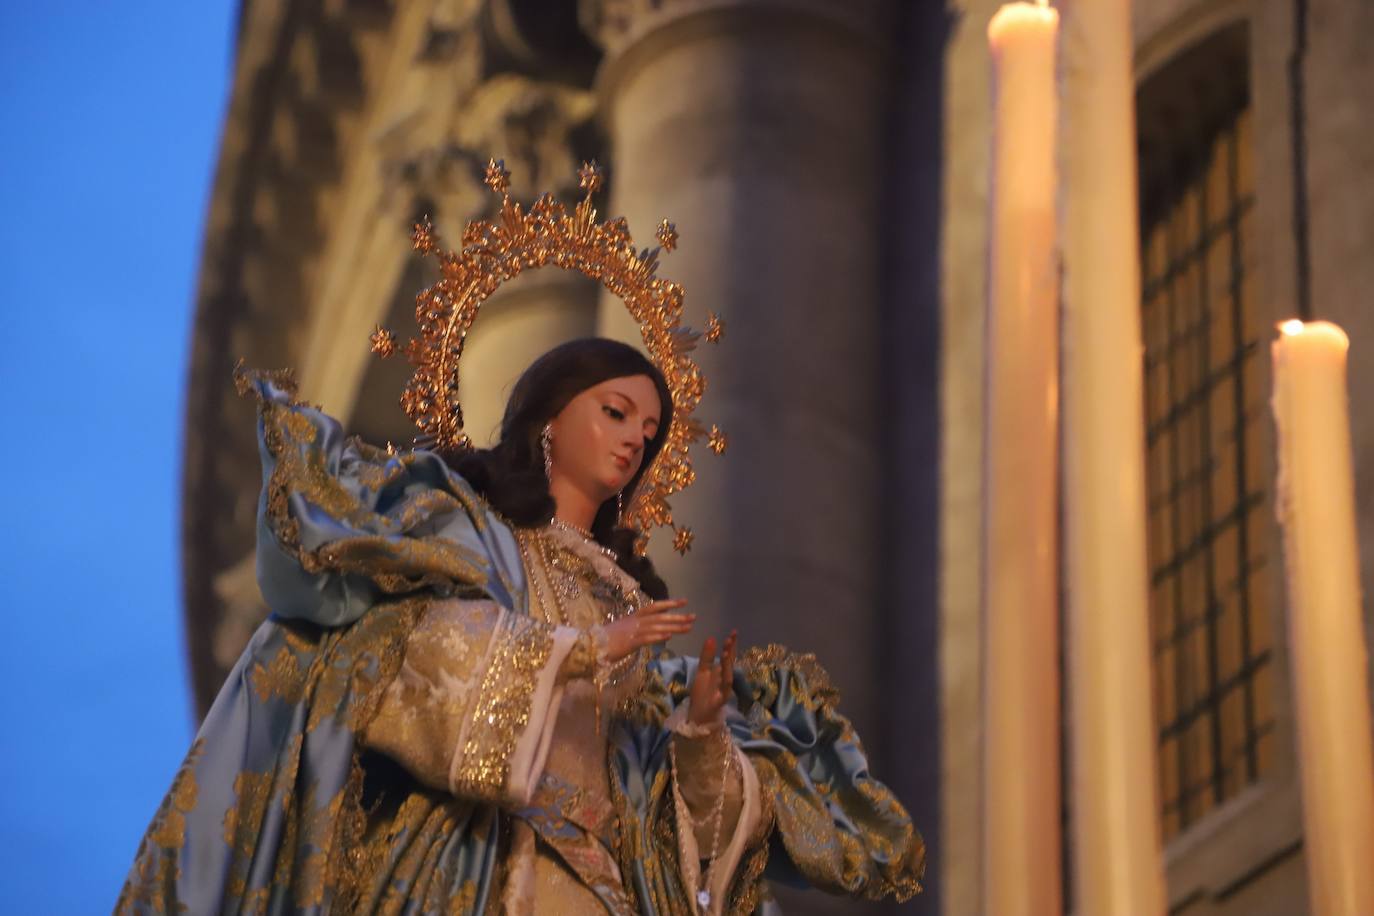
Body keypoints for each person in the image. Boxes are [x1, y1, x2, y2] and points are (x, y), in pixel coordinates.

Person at [117, 337, 923, 914]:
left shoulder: (628, 601)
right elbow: (398, 659)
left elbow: (671, 835)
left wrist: (701, 735)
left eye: (648, 435)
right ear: (549, 419)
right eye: (615, 413)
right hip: (482, 867)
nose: (634, 444)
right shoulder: (472, 540)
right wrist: (575, 654)